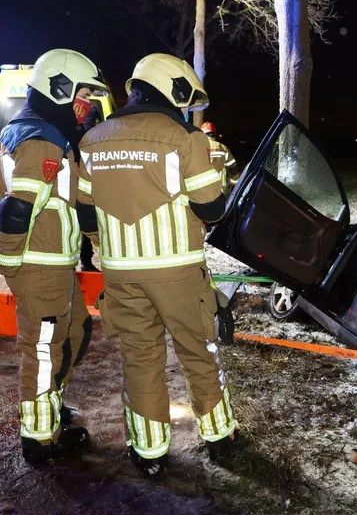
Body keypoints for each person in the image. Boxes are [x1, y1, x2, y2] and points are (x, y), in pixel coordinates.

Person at [79, 53, 238, 478]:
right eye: (187, 100)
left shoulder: (92, 140)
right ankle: (220, 438)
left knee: (140, 360)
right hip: (178, 272)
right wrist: (217, 171)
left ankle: (149, 453)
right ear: (176, 90)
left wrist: (103, 250)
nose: (187, 110)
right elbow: (213, 209)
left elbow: (85, 212)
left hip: (121, 274)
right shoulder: (186, 139)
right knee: (199, 352)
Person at [0, 49, 105, 463]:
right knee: (44, 346)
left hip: (57, 265)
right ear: (57, 88)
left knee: (76, 331)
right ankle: (39, 438)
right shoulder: (40, 138)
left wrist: (100, 248)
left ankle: (49, 406)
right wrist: (10, 263)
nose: (86, 104)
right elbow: (17, 208)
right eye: (81, 94)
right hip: (38, 265)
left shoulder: (55, 137)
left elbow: (80, 203)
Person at [77, 99, 104, 272]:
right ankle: (86, 262)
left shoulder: (74, 130)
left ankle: (83, 262)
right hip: (84, 186)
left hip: (75, 185)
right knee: (85, 227)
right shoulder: (92, 137)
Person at [200, 122, 238, 196]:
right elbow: (233, 168)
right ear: (214, 134)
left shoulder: (198, 148)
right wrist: (234, 184)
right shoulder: (223, 148)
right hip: (220, 191)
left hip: (202, 190)